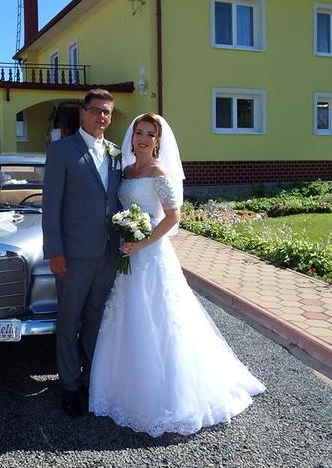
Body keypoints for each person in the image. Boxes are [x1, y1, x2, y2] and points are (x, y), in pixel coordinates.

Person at [89, 113, 265, 437]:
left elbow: (173, 216)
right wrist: (126, 235)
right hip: (129, 252)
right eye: (139, 132)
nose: (143, 138)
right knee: (128, 315)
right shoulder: (127, 171)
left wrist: (142, 242)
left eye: (150, 134)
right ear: (132, 138)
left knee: (159, 317)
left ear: (158, 141)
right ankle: (123, 385)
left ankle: (168, 394)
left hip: (151, 253)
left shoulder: (159, 172)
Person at [42, 89, 123, 418]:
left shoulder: (116, 153)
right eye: (96, 110)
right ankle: (69, 385)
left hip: (109, 251)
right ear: (83, 113)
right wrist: (54, 250)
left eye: (107, 112)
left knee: (96, 319)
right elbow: (51, 205)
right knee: (69, 319)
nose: (102, 117)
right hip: (73, 254)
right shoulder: (62, 150)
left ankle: (92, 380)